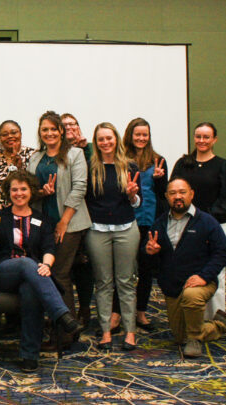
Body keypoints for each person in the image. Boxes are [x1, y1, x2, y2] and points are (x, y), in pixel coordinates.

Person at [0, 171, 82, 372]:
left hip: (33, 274)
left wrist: (46, 265)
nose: (19, 193)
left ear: (31, 192)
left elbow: (48, 249)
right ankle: (61, 313)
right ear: (8, 193)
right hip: (2, 271)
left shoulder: (42, 219)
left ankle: (29, 355)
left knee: (31, 290)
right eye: (14, 190)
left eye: (23, 189)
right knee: (27, 263)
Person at [144, 178, 226, 358]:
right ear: (166, 197)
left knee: (191, 296)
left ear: (191, 194)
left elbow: (221, 253)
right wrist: (149, 251)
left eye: (182, 192)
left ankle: (195, 339)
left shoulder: (207, 221)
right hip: (173, 286)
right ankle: (220, 325)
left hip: (201, 281)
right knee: (179, 337)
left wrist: (203, 276)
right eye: (173, 193)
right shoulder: (160, 223)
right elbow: (148, 258)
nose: (178, 197)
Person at [27, 111, 91, 341]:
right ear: (40, 133)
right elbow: (29, 190)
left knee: (60, 274)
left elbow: (80, 188)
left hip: (71, 224)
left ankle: (65, 333)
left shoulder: (75, 154)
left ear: (61, 132)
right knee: (48, 274)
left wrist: (64, 222)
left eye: (54, 129)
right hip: (44, 224)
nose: (49, 133)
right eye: (45, 129)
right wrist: (41, 192)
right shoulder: (36, 158)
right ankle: (59, 323)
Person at [85, 122, 141, 351]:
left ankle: (130, 332)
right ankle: (106, 331)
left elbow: (138, 203)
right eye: (101, 139)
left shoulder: (129, 166)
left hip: (126, 229)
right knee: (104, 283)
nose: (105, 142)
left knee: (126, 282)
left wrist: (132, 195)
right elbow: (85, 200)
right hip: (98, 231)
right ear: (96, 143)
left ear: (116, 139)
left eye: (109, 138)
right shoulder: (91, 168)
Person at [171, 122, 226, 320]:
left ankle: (216, 318)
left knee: (215, 273)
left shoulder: (223, 165)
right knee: (190, 273)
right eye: (198, 136)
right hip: (184, 225)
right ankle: (192, 317)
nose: (202, 140)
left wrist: (204, 221)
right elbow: (173, 191)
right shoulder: (183, 164)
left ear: (214, 139)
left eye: (206, 137)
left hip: (214, 227)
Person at [111, 117, 169, 331]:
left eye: (145, 134)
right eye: (138, 134)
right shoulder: (120, 159)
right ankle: (116, 314)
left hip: (150, 221)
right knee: (123, 269)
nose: (141, 138)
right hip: (126, 221)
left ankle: (141, 312)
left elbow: (164, 193)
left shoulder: (158, 160)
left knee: (146, 269)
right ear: (130, 135)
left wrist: (160, 179)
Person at [60, 112, 94, 327]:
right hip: (63, 215)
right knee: (64, 268)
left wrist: (86, 149)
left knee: (84, 266)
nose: (70, 128)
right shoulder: (57, 152)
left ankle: (84, 309)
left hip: (86, 215)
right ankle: (66, 312)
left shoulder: (88, 149)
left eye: (74, 124)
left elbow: (91, 176)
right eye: (66, 125)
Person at [0, 120, 36, 211]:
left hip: (29, 212)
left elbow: (36, 185)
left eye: (14, 132)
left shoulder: (34, 155)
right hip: (0, 215)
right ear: (0, 138)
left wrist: (20, 168)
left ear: (20, 134)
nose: (9, 136)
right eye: (4, 135)